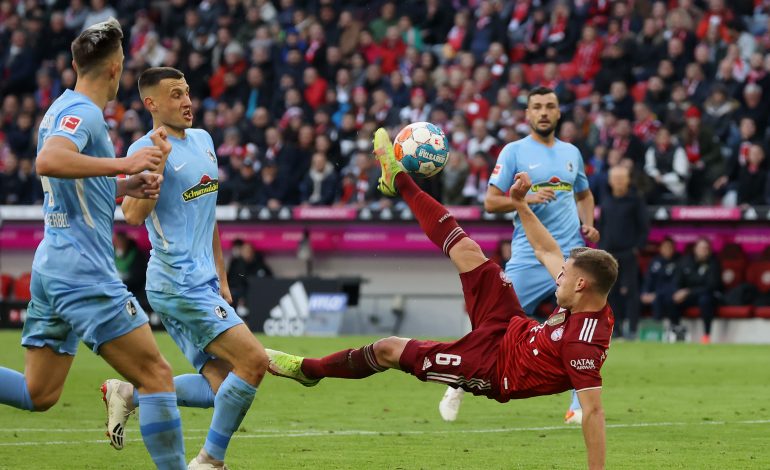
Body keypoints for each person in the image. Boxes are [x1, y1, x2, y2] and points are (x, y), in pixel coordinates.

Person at [267, 129, 617, 470]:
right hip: (511, 326)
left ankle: (307, 370)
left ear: (582, 284)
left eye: (565, 276)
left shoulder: (583, 345)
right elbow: (545, 249)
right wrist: (521, 203)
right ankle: (399, 178)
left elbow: (594, 412)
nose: (558, 279)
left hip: (494, 367)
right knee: (467, 249)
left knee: (390, 349)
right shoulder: (581, 295)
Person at [0, 19, 187, 470]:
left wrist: (124, 186)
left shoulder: (61, 107)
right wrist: (125, 160)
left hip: (52, 265)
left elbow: (72, 183)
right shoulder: (83, 113)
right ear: (116, 68)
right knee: (157, 375)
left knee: (38, 393)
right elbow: (48, 161)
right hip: (82, 271)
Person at [102, 67, 268, 470]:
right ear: (151, 104)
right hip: (177, 282)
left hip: (203, 282)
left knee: (222, 386)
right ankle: (210, 461)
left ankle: (130, 394)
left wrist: (222, 278)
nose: (187, 101)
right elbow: (132, 216)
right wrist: (157, 163)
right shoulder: (145, 148)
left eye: (187, 93)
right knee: (254, 362)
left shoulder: (204, 140)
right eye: (175, 95)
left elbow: (207, 214)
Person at [451, 86, 600, 425]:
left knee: (584, 326)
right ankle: (459, 377)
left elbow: (585, 195)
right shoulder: (514, 151)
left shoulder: (572, 153)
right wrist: (527, 199)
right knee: (493, 325)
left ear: (559, 113)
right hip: (529, 258)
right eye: (537, 107)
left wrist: (589, 224)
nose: (544, 112)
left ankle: (577, 407)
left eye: (550, 106)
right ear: (528, 114)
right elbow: (490, 202)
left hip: (570, 259)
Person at [597, 166, 648, 339]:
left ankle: (632, 329)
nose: (618, 181)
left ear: (628, 180)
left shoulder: (636, 201)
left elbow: (644, 228)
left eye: (621, 178)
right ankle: (615, 328)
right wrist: (602, 248)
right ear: (610, 181)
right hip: (609, 255)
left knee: (631, 292)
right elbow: (601, 226)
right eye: (615, 178)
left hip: (628, 254)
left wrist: (636, 248)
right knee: (611, 293)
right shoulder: (606, 201)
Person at [673, 237, 722, 344]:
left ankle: (706, 335)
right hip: (689, 296)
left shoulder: (713, 263)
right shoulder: (685, 262)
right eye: (701, 248)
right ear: (695, 249)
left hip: (706, 295)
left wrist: (688, 291)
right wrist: (678, 292)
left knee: (705, 300)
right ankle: (677, 335)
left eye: (706, 248)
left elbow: (711, 286)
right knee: (674, 300)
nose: (703, 251)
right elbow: (677, 281)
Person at [641, 237, 682, 340]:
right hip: (653, 294)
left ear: (673, 248)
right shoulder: (655, 261)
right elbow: (648, 279)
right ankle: (633, 331)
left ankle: (670, 330)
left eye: (669, 247)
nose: (667, 250)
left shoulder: (679, 262)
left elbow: (676, 283)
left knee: (665, 300)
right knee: (635, 300)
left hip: (668, 295)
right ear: (660, 248)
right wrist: (645, 293)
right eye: (664, 247)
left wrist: (656, 294)